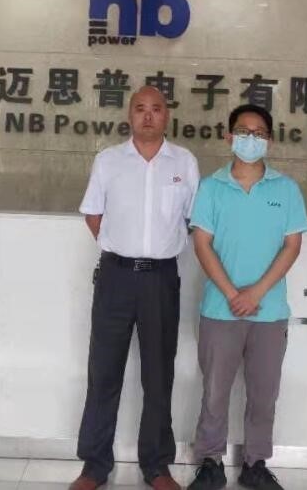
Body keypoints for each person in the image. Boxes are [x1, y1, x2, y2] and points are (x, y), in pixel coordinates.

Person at [70, 86, 201, 490]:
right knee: (103, 372)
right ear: (129, 115)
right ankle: (94, 466)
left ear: (167, 116)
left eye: (156, 109)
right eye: (140, 108)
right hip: (115, 277)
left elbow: (194, 220)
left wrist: (155, 249)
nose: (148, 115)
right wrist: (120, 248)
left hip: (161, 280)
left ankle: (157, 466)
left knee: (158, 375)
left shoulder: (184, 162)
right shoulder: (109, 160)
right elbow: (93, 214)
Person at [186, 104, 307, 490]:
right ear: (228, 137)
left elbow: (292, 246)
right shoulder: (211, 187)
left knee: (263, 395)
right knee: (214, 393)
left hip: (269, 311)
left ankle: (255, 464)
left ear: (269, 140)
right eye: (243, 131)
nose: (250, 139)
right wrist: (231, 293)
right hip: (219, 309)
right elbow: (202, 244)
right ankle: (210, 462)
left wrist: (255, 292)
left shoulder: (286, 189)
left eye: (258, 133)